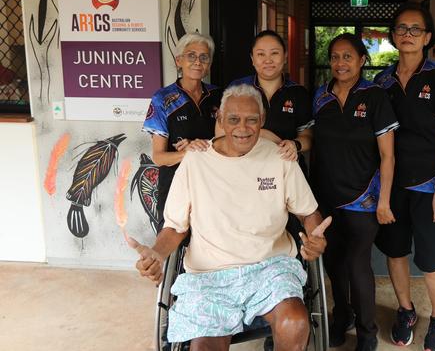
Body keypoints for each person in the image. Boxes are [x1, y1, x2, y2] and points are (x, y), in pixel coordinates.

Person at [129, 84, 331, 351]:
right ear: (220, 120)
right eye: (233, 119)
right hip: (210, 274)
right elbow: (175, 227)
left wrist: (316, 237)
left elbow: (308, 212)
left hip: (269, 267)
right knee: (203, 348)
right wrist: (156, 253)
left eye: (251, 120)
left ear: (262, 121)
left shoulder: (280, 158)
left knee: (295, 323)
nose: (243, 128)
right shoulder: (195, 161)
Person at [374, 2, 435, 351]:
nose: (407, 35)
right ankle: (406, 310)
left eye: (415, 30)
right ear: (393, 36)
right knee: (395, 253)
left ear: (427, 37)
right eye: (401, 29)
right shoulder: (383, 81)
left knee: (431, 260)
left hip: (430, 185)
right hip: (393, 184)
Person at [312, 33, 399, 351]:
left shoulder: (375, 96)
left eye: (347, 56)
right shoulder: (320, 96)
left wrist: (385, 199)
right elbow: (311, 142)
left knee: (358, 265)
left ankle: (367, 333)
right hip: (326, 195)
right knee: (333, 262)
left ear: (362, 60)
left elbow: (388, 155)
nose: (340, 63)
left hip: (364, 197)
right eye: (335, 56)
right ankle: (341, 318)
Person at [142, 32, 222, 231]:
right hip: (176, 184)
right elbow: (159, 157)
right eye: (191, 56)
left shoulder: (219, 96)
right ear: (179, 61)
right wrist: (187, 152)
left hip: (212, 181)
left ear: (209, 64)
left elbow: (228, 141)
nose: (197, 62)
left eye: (204, 57)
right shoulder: (163, 99)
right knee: (173, 241)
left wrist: (202, 146)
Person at [228, 30, 313, 170]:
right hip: (246, 169)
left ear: (285, 57)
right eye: (261, 54)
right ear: (252, 59)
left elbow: (307, 136)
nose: (268, 60)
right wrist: (265, 136)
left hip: (286, 168)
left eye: (274, 53)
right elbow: (222, 131)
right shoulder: (237, 89)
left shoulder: (298, 93)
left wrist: (295, 144)